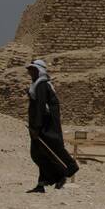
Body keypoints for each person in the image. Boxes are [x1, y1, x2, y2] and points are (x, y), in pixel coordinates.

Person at [25, 59, 78, 193]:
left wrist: (36, 127)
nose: (30, 72)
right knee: (41, 154)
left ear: (39, 71)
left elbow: (41, 107)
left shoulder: (42, 85)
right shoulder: (38, 84)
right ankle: (42, 183)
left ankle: (66, 170)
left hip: (46, 126)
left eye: (33, 70)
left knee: (48, 152)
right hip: (42, 125)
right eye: (29, 70)